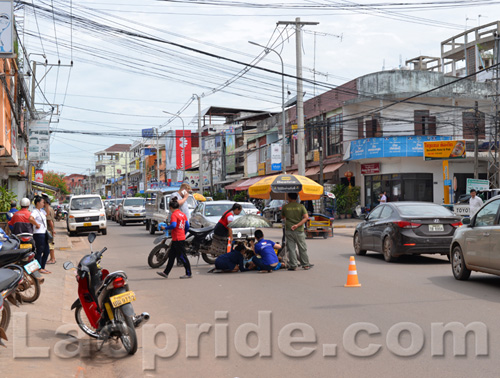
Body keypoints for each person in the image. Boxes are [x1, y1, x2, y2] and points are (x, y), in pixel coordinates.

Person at [157, 197, 192, 279]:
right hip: (180, 237)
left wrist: (165, 228)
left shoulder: (174, 215)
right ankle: (166, 273)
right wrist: (184, 233)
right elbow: (187, 226)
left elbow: (173, 225)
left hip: (177, 239)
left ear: (171, 208)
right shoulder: (183, 214)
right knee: (171, 256)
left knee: (182, 256)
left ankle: (188, 273)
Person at [281, 193, 311, 271]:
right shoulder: (301, 206)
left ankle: (293, 265)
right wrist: (297, 225)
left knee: (291, 248)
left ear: (289, 198)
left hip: (289, 230)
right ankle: (305, 265)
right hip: (299, 230)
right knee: (302, 248)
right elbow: (306, 218)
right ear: (297, 197)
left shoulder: (285, 207)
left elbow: (283, 217)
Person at [29, 196, 51, 274]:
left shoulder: (41, 211)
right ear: (38, 203)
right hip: (38, 234)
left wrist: (47, 205)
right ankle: (39, 268)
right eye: (42, 202)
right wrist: (36, 224)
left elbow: (47, 214)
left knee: (47, 251)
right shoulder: (35, 211)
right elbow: (30, 218)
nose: (43, 204)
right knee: (39, 251)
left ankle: (42, 267)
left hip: (43, 233)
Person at [43, 196, 57, 265]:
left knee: (50, 245)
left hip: (49, 230)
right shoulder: (51, 209)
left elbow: (49, 221)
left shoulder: (47, 209)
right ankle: (52, 258)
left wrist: (52, 230)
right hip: (50, 229)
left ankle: (52, 259)